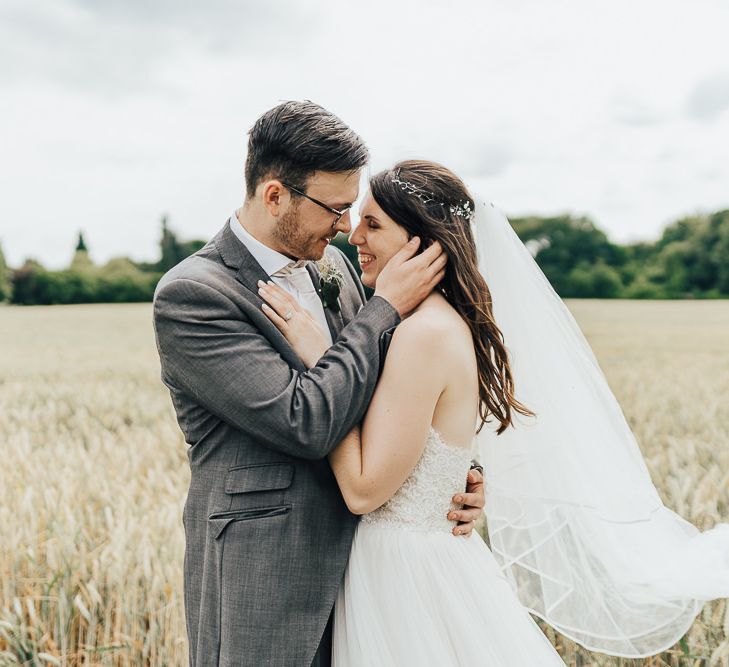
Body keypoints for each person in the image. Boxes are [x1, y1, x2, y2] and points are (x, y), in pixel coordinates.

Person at [260, 159, 729, 664]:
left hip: (405, 575)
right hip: (414, 557)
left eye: (374, 224)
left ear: (423, 242)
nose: (355, 237)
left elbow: (362, 490)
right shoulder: (422, 325)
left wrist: (319, 361)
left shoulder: (425, 335)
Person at [152, 103, 486, 667]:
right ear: (275, 195)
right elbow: (304, 421)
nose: (344, 227)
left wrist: (450, 477)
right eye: (333, 208)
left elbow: (389, 394)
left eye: (353, 210)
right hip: (267, 575)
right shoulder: (194, 295)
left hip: (374, 574)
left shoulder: (334, 269)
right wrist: (383, 310)